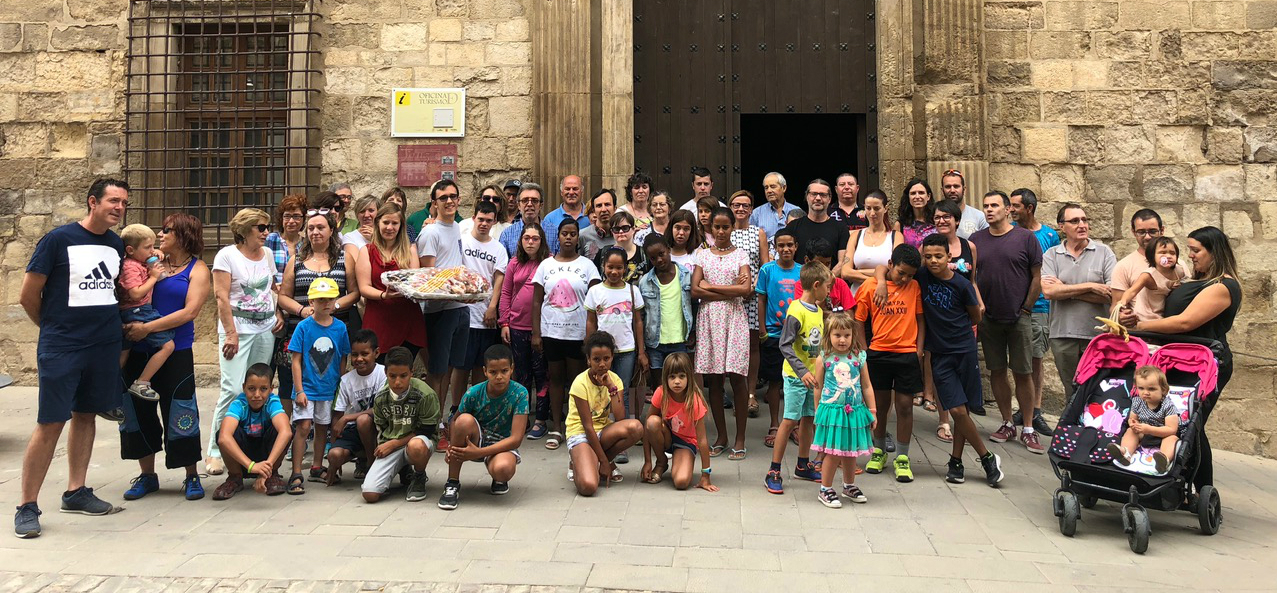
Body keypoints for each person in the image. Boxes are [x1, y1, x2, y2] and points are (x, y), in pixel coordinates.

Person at [16, 179, 129, 537]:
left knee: (86, 415)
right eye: (113, 200)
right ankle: (27, 505)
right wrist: (52, 328)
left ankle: (76, 491)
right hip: (62, 345)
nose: (119, 207)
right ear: (92, 202)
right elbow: (28, 295)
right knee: (51, 421)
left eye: (124, 202)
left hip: (103, 345)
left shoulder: (115, 245)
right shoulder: (57, 240)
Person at [1119, 226, 1240, 491]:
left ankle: (1199, 489)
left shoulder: (1223, 286)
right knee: (1178, 423)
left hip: (1204, 364)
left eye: (1196, 250)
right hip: (1178, 360)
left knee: (1191, 426)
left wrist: (1139, 327)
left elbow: (1185, 322)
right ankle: (1165, 480)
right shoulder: (1193, 280)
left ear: (1214, 252)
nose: (1191, 255)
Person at [119, 213, 211, 503]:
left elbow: (189, 312)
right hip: (139, 348)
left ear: (183, 235)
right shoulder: (150, 264)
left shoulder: (198, 270)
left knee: (181, 410)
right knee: (137, 409)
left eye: (167, 230)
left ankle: (191, 475)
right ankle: (147, 475)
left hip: (176, 348)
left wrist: (147, 328)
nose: (160, 235)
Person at [912, 234, 1005, 487]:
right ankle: (987, 458)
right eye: (928, 256)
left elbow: (976, 317)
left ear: (949, 257)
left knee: (962, 409)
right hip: (939, 354)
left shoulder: (962, 285)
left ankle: (956, 461)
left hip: (964, 351)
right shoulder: (921, 277)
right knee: (955, 409)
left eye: (938, 256)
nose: (932, 261)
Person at [969, 190, 1043, 453]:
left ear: (1007, 210)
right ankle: (1006, 422)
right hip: (989, 319)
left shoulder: (1025, 238)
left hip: (1019, 317)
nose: (989, 210)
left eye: (995, 206)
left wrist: (1026, 308)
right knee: (997, 371)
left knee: (1023, 372)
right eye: (986, 206)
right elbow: (972, 278)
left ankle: (1029, 427)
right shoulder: (976, 240)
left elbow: (1036, 276)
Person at [208, 208, 280, 476]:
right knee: (232, 388)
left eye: (267, 227)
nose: (266, 233)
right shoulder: (226, 256)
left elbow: (272, 288)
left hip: (264, 327)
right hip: (237, 328)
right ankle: (216, 450)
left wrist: (278, 313)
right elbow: (221, 297)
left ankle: (251, 445)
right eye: (260, 228)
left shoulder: (268, 255)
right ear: (245, 229)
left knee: (260, 387)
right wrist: (230, 332)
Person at [278, 207, 361, 418]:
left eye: (321, 227)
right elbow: (283, 296)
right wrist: (302, 309)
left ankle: (328, 428)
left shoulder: (344, 259)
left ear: (331, 230)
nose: (315, 232)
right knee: (293, 378)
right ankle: (293, 427)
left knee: (329, 378)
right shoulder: (296, 261)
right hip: (301, 330)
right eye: (311, 228)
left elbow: (354, 292)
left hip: (333, 332)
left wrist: (336, 306)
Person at [532, 218, 602, 450]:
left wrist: (591, 335)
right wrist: (536, 333)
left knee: (576, 381)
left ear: (577, 238)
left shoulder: (588, 266)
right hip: (551, 332)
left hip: (577, 333)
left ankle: (577, 426)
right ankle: (556, 427)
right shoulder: (545, 265)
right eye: (565, 233)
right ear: (558, 237)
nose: (569, 237)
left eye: (573, 233)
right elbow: (536, 301)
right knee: (555, 379)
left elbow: (594, 302)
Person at [855, 245, 922, 483]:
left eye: (910, 275)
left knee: (905, 405)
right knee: (879, 406)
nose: (905, 279)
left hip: (906, 354)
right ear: (891, 264)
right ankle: (879, 450)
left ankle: (902, 458)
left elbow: (919, 318)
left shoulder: (914, 287)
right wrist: (864, 350)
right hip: (878, 353)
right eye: (901, 272)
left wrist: (919, 350)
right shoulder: (871, 286)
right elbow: (858, 319)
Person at [763, 261, 831, 494]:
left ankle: (803, 464)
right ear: (816, 285)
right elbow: (785, 344)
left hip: (813, 378)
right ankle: (773, 470)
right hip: (795, 377)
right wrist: (802, 372)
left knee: (808, 420)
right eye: (827, 287)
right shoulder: (796, 309)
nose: (829, 292)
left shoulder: (819, 311)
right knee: (790, 420)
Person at [692, 207, 753, 460]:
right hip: (709, 319)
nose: (720, 231)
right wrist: (731, 289)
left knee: (737, 377)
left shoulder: (741, 254)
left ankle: (740, 438)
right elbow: (695, 290)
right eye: (716, 227)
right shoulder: (702, 254)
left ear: (732, 228)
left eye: (725, 227)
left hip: (734, 319)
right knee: (714, 380)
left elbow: (746, 289)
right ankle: (721, 436)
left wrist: (711, 286)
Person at [1041, 203, 1116, 405]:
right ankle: (1074, 433)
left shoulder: (1104, 252)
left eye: (1084, 220)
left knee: (1100, 392)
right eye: (1074, 221)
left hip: (1098, 335)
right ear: (1061, 226)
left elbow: (1111, 295)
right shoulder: (1051, 255)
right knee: (1072, 393)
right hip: (1063, 335)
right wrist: (1091, 286)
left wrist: (1066, 291)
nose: (1082, 225)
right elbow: (1049, 292)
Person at [439, 344, 530, 509]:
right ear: (485, 371)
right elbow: (455, 421)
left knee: (503, 469)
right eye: (493, 372)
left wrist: (480, 453)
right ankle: (452, 483)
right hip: (476, 438)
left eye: (504, 371)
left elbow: (516, 439)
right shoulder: (473, 392)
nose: (499, 377)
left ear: (512, 369)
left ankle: (498, 477)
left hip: (503, 444)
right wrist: (452, 446)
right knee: (464, 421)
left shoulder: (520, 393)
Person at [287, 278, 351, 494]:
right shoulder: (304, 327)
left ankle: (316, 466)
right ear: (311, 302)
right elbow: (295, 360)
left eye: (329, 299)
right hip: (307, 388)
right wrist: (299, 390)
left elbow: (342, 358)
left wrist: (340, 386)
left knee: (323, 426)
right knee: (304, 426)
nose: (325, 303)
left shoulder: (340, 328)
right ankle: (296, 472)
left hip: (328, 389)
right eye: (320, 299)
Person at [565, 332, 644, 496]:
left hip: (603, 431)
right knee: (588, 487)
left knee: (635, 427)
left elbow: (621, 418)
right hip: (580, 433)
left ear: (612, 357)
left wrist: (611, 388)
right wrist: (602, 461)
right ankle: (580, 461)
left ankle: (599, 460)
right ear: (588, 360)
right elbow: (587, 427)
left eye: (606, 358)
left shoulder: (615, 380)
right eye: (596, 359)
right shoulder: (580, 383)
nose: (602, 364)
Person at [417, 179, 471, 418]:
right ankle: (431, 423)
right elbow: (428, 275)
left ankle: (440, 420)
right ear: (434, 203)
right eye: (443, 198)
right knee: (437, 371)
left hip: (461, 307)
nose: (449, 201)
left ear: (459, 200)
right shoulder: (430, 232)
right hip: (439, 310)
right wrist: (455, 290)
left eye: (453, 196)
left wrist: (468, 291)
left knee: (451, 369)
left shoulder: (458, 228)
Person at [811, 313, 875, 508]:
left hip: (855, 411)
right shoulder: (824, 358)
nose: (842, 339)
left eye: (846, 335)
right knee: (833, 452)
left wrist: (872, 410)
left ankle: (849, 485)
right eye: (837, 335)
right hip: (832, 412)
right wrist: (818, 411)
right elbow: (818, 387)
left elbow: (866, 386)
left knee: (851, 451)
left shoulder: (858, 357)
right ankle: (825, 488)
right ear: (828, 335)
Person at [363, 347, 441, 503]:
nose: (397, 382)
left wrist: (394, 443)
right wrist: (388, 447)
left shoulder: (426, 394)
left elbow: (426, 430)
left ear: (412, 373)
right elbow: (382, 428)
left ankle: (419, 476)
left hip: (419, 441)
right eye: (392, 376)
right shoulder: (380, 397)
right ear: (385, 373)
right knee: (369, 494)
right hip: (391, 444)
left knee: (416, 446)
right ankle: (403, 468)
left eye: (403, 376)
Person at [1009, 188, 1059, 432]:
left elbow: (1053, 271)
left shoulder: (1049, 236)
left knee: (1036, 359)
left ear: (1029, 208)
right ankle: (1022, 408)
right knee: (1018, 360)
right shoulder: (1009, 232)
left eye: (1015, 205)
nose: (1011, 210)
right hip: (1012, 306)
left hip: (1039, 306)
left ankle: (1035, 409)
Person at [454, 201, 509, 410]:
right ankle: (456, 408)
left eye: (488, 220)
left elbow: (499, 280)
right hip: (463, 313)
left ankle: (474, 408)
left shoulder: (499, 248)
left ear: (494, 221)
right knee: (461, 366)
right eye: (481, 219)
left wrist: (493, 307)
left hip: (485, 315)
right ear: (473, 218)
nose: (484, 224)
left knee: (480, 366)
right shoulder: (461, 241)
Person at [212, 363, 292, 499]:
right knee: (223, 432)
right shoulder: (239, 404)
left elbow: (286, 432)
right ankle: (235, 477)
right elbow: (224, 437)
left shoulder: (272, 402)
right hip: (243, 458)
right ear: (243, 388)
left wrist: (266, 469)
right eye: (251, 389)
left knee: (286, 430)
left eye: (263, 389)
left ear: (271, 389)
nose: (257, 395)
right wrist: (251, 466)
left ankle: (271, 475)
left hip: (267, 457)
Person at [500, 223, 551, 439]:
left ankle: (541, 418)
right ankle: (522, 418)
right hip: (517, 327)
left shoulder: (549, 263)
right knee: (521, 374)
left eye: (535, 238)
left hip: (541, 328)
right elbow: (505, 292)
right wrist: (504, 322)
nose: (530, 242)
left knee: (542, 374)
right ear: (521, 240)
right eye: (526, 238)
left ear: (541, 241)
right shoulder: (514, 263)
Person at [586, 248, 646, 427]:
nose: (614, 271)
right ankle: (603, 429)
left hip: (626, 350)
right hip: (602, 353)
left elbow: (638, 322)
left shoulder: (632, 291)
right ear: (603, 266)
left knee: (623, 391)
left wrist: (641, 351)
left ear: (625, 268)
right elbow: (590, 322)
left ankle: (623, 431)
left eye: (619, 267)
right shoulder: (595, 291)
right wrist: (589, 351)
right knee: (601, 390)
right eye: (610, 267)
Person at [357, 204, 426, 359]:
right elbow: (364, 287)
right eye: (386, 222)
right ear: (377, 224)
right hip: (379, 319)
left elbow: (414, 282)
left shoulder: (410, 250)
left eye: (395, 223)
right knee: (379, 370)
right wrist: (384, 295)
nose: (390, 227)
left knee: (402, 370)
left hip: (408, 319)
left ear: (401, 226)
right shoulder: (366, 251)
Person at [640, 353, 716, 491]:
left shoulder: (694, 400)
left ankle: (679, 460)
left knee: (681, 482)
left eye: (682, 376)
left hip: (686, 443)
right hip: (666, 436)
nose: (677, 381)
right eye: (672, 377)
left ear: (689, 378)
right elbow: (647, 427)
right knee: (652, 422)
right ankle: (661, 462)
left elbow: (702, 440)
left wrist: (706, 474)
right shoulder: (661, 392)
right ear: (666, 378)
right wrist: (647, 461)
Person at [637, 233, 696, 414]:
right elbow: (641, 315)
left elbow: (694, 305)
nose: (659, 259)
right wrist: (642, 349)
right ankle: (663, 424)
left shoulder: (686, 275)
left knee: (681, 387)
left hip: (680, 341)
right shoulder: (645, 282)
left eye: (662, 254)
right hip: (655, 343)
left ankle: (682, 424)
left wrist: (693, 332)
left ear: (669, 250)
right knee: (659, 388)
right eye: (653, 257)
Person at [116, 224, 173, 402]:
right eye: (148, 247)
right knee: (168, 345)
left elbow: (149, 255)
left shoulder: (138, 261)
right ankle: (142, 381)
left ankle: (109, 385)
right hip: (138, 310)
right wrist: (154, 277)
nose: (152, 251)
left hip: (132, 311)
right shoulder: (130, 267)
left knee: (125, 350)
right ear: (131, 250)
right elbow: (135, 293)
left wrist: (156, 254)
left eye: (153, 246)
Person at [756, 228, 802, 448]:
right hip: (774, 334)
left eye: (790, 245)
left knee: (799, 382)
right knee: (775, 381)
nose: (785, 249)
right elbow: (762, 300)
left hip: (798, 336)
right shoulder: (767, 270)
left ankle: (795, 424)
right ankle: (775, 423)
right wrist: (762, 329)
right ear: (775, 247)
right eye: (781, 245)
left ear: (796, 247)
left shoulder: (803, 271)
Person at [325, 330, 385, 486]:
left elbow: (379, 409)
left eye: (364, 354)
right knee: (334, 455)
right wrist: (333, 460)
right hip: (353, 431)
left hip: (379, 428)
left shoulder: (383, 374)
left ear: (376, 353)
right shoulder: (346, 380)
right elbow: (337, 417)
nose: (359, 359)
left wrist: (348, 417)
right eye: (355, 354)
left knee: (363, 420)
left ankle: (371, 465)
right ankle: (362, 455)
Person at [729, 190, 770, 416]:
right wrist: (736, 289)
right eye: (737, 205)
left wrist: (752, 287)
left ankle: (751, 394)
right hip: (731, 296)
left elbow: (764, 265)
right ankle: (739, 394)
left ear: (751, 209)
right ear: (731, 207)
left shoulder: (758, 233)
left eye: (745, 205)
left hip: (753, 295)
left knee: (753, 345)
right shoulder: (725, 231)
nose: (741, 209)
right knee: (736, 347)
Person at [1111, 208, 1187, 322]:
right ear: (1133, 232)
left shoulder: (1178, 265)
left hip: (1174, 328)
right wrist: (1120, 315)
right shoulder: (1124, 266)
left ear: (1162, 230)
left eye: (1152, 231)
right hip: (1143, 329)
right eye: (1141, 232)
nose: (1147, 237)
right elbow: (1116, 305)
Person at [1108, 366, 1179, 474]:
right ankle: (1125, 453)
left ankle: (1163, 460)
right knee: (1130, 431)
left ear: (1163, 390)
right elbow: (1132, 418)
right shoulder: (1137, 402)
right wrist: (1132, 423)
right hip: (1144, 433)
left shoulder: (1168, 406)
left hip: (1163, 435)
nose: (1145, 392)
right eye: (1141, 388)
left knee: (1172, 439)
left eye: (1151, 389)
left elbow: (1172, 429)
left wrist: (1149, 429)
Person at [841, 190, 902, 293]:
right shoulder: (856, 236)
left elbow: (895, 272)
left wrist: (858, 272)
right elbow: (845, 272)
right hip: (859, 295)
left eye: (877, 208)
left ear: (885, 209)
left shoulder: (895, 236)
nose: (872, 213)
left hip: (885, 295)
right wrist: (881, 277)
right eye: (868, 208)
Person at [1115, 237, 1188, 320]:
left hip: (1165, 313)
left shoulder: (1179, 270)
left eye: (1172, 253)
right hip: (1147, 315)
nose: (1168, 256)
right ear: (1152, 256)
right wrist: (1122, 302)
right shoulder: (1148, 275)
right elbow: (1132, 291)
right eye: (1162, 252)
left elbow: (1186, 285)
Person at [786, 179, 849, 270]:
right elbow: (787, 260)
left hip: (830, 282)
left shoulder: (840, 228)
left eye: (823, 195)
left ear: (829, 199)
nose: (818, 198)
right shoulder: (792, 227)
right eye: (814, 194)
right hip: (799, 282)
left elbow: (842, 262)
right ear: (807, 197)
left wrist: (826, 281)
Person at [793, 238, 856, 313]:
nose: (825, 268)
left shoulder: (840, 284)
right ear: (807, 261)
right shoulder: (802, 285)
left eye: (828, 263)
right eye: (820, 264)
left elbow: (850, 314)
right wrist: (828, 289)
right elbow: (807, 312)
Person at [543, 175, 591, 254]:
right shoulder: (550, 219)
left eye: (575, 189)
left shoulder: (591, 216)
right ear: (562, 192)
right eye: (567, 189)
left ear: (582, 191)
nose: (571, 192)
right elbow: (547, 250)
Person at [498, 182, 547, 258]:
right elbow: (503, 265)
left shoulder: (554, 232)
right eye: (525, 200)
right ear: (519, 205)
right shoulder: (507, 234)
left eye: (534, 200)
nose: (530, 204)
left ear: (541, 205)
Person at [596, 211, 646, 283]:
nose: (621, 231)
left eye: (625, 228)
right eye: (616, 229)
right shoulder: (603, 253)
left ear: (633, 229)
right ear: (612, 231)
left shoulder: (643, 253)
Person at [750, 172, 802, 239]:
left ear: (784, 188)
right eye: (766, 188)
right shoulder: (756, 213)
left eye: (773, 187)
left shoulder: (796, 211)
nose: (769, 191)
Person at [939, 169, 988, 239]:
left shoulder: (979, 217)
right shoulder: (936, 217)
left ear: (964, 189)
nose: (952, 190)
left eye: (956, 186)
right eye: (948, 187)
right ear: (942, 190)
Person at [895, 178, 936, 248]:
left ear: (928, 196)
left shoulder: (936, 220)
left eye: (921, 193)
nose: (917, 197)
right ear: (908, 197)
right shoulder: (900, 225)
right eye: (913, 193)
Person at [579, 189, 619, 261]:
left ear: (615, 208)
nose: (603, 209)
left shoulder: (623, 235)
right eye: (599, 206)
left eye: (607, 204)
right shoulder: (582, 236)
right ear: (594, 211)